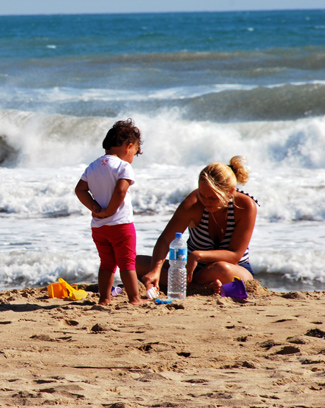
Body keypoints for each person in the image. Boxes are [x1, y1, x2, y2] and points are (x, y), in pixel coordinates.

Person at [137, 156, 258, 295]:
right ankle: (197, 287)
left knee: (222, 269)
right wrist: (155, 270)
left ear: (230, 192)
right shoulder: (193, 204)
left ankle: (192, 287)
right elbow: (165, 239)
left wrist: (197, 255)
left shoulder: (245, 206)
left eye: (213, 198)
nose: (206, 202)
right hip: (192, 271)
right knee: (137, 262)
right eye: (202, 195)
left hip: (233, 268)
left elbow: (235, 255)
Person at [75, 119, 143, 306]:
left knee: (106, 264)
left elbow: (80, 189)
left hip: (99, 227)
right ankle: (135, 299)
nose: (133, 157)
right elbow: (121, 190)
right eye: (135, 152)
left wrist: (96, 208)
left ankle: (104, 298)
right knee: (127, 263)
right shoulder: (123, 167)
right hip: (121, 225)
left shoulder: (93, 166)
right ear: (129, 147)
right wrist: (110, 211)